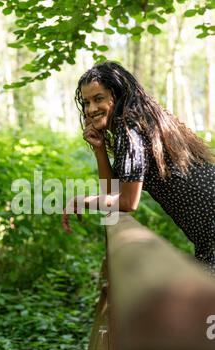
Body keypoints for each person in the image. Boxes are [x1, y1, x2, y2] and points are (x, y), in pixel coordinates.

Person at [62, 61, 215, 275]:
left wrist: (81, 201)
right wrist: (99, 150)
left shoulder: (130, 129)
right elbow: (113, 194)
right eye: (86, 102)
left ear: (117, 95)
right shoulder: (135, 126)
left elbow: (126, 202)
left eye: (98, 99)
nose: (91, 109)